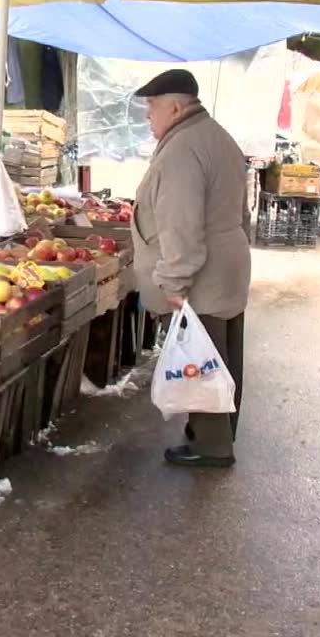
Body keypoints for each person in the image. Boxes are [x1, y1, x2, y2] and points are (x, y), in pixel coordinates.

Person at [131, 68, 251, 469]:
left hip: (204, 273)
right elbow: (239, 210)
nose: (149, 116)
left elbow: (180, 223)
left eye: (152, 107)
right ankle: (213, 433)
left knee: (204, 357)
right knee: (224, 354)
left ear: (176, 107)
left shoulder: (183, 149)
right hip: (226, 263)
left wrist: (175, 280)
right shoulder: (216, 136)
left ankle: (213, 446)